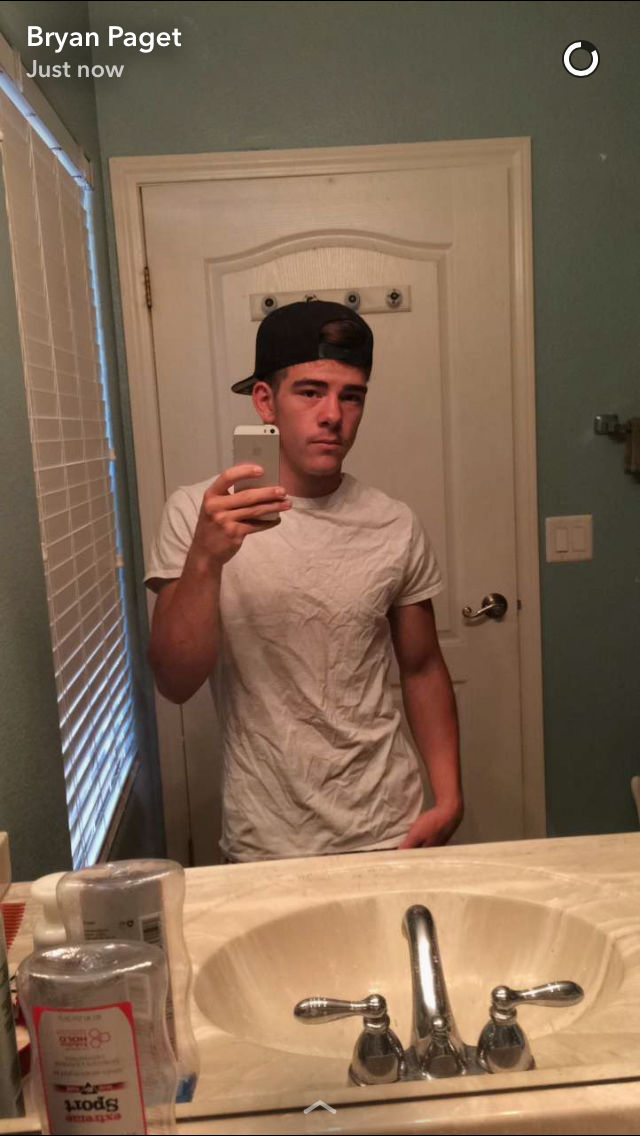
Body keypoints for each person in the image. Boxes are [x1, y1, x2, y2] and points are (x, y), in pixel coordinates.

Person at [145, 299, 463, 862]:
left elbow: (421, 667)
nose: (333, 415)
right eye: (311, 392)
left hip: (391, 827)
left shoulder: (394, 522)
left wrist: (450, 797)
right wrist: (206, 561)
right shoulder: (200, 514)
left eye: (351, 396)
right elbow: (175, 681)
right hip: (265, 839)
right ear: (265, 401)